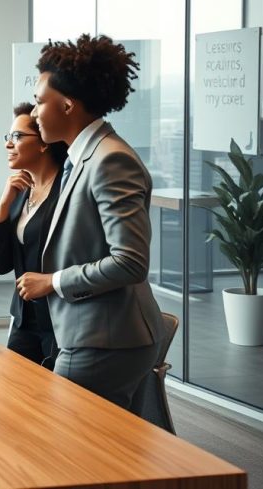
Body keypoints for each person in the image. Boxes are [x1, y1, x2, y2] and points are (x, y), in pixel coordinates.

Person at [16, 33, 164, 409]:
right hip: (90, 331)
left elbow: (130, 262)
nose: (33, 114)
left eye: (38, 102)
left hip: (106, 338)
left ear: (67, 105)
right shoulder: (82, 157)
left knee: (67, 450)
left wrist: (54, 281)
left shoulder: (110, 160)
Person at [0, 103, 67, 368]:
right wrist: (2, 208)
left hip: (59, 321)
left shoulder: (65, 193)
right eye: (8, 137)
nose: (9, 144)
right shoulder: (21, 193)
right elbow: (1, 265)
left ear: (44, 143)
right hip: (24, 318)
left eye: (18, 136)